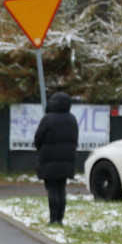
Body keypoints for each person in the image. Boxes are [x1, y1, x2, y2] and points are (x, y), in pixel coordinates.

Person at [33, 92, 79, 225]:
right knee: (61, 189)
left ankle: (53, 219)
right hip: (66, 161)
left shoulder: (47, 119)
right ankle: (60, 218)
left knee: (52, 189)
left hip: (49, 160)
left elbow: (38, 139)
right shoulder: (72, 119)